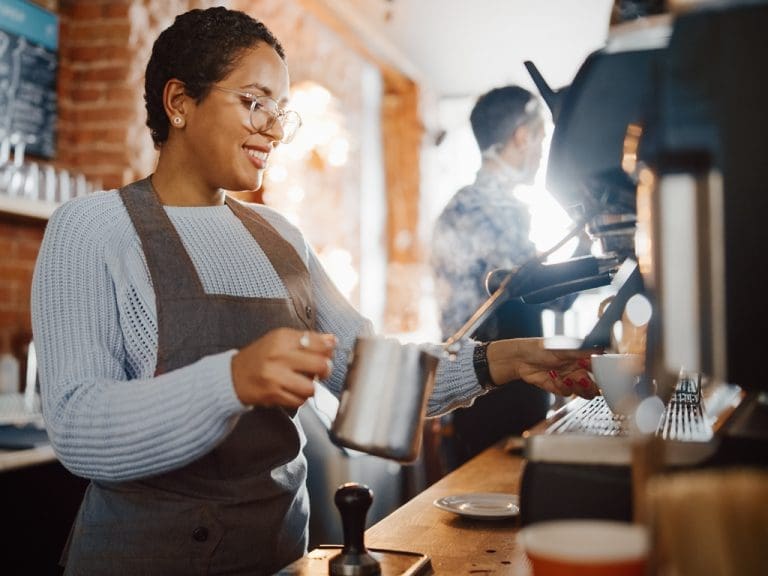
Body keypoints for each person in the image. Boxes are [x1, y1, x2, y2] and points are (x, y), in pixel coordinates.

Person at [31, 8, 597, 575]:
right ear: (179, 102)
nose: (274, 131)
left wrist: (502, 359)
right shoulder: (92, 228)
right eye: (254, 103)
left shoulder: (281, 236)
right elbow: (78, 427)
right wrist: (232, 379)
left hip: (278, 556)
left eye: (280, 111)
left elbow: (368, 374)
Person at [431, 86, 566, 469]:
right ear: (522, 136)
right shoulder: (495, 208)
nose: (542, 152)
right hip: (495, 397)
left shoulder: (462, 203)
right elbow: (552, 294)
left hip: (471, 390)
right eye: (541, 137)